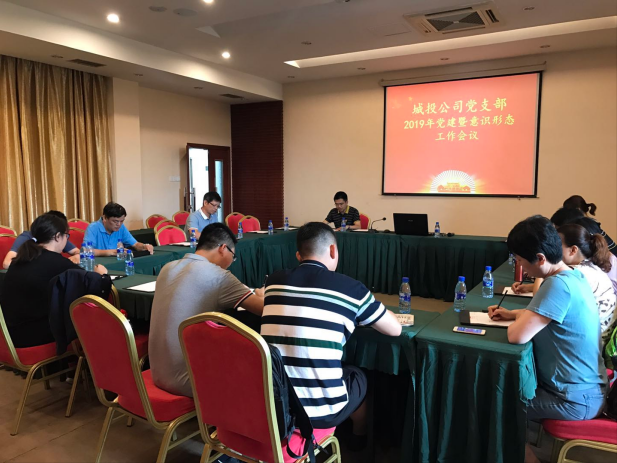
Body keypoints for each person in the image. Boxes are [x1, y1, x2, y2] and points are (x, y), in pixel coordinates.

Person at [261, 222, 401, 446]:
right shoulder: (352, 289)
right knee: (358, 376)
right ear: (333, 250)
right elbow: (395, 330)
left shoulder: (273, 282)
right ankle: (357, 439)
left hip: (274, 404)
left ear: (298, 255)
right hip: (320, 413)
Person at [488, 216, 607, 463]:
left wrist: (518, 319)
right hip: (585, 389)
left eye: (521, 260)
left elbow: (516, 335)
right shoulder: (573, 276)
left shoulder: (556, 286)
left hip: (573, 399)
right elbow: (548, 315)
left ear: (540, 258)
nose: (520, 267)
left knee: (497, 407)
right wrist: (514, 313)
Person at [149, 223, 264, 397]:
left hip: (157, 373)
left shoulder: (167, 268)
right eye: (233, 256)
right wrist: (261, 294)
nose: (231, 262)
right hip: (188, 380)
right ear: (223, 249)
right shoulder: (219, 276)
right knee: (258, 359)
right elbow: (263, 309)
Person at [0, 213, 107, 348]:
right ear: (57, 236)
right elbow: (94, 285)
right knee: (90, 318)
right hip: (30, 336)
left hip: (8, 334)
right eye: (66, 236)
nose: (66, 239)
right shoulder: (58, 263)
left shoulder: (21, 258)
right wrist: (102, 275)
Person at [558, 223, 616, 341]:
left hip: (592, 342)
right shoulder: (591, 267)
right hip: (602, 336)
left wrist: (547, 263)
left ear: (573, 250)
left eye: (557, 245)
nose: (553, 250)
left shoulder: (576, 274)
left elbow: (540, 303)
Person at [2, 211, 80, 269]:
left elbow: (78, 252)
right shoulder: (26, 237)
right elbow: (7, 263)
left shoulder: (60, 238)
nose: (66, 237)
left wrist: (77, 256)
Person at [84, 202, 153, 256]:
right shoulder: (93, 228)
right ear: (105, 218)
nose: (119, 224)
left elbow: (135, 244)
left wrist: (144, 246)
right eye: (115, 221)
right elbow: (86, 250)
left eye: (122, 221)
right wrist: (110, 252)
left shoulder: (121, 227)